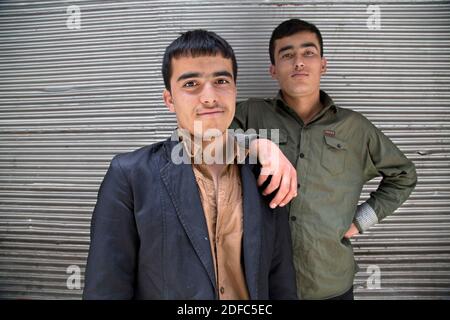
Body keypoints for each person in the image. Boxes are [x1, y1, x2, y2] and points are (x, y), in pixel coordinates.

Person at [83, 29, 298, 300]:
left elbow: (280, 280)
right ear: (169, 99)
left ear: (234, 90)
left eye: (221, 80)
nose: (209, 97)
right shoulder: (130, 176)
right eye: (190, 84)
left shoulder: (266, 173)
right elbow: (107, 287)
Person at [232, 18, 417, 300]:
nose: (298, 62)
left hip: (329, 281)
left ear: (323, 64)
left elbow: (403, 175)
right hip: (260, 283)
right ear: (273, 69)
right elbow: (193, 140)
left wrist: (361, 220)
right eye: (287, 55)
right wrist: (255, 143)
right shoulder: (250, 115)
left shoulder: (355, 128)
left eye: (309, 53)